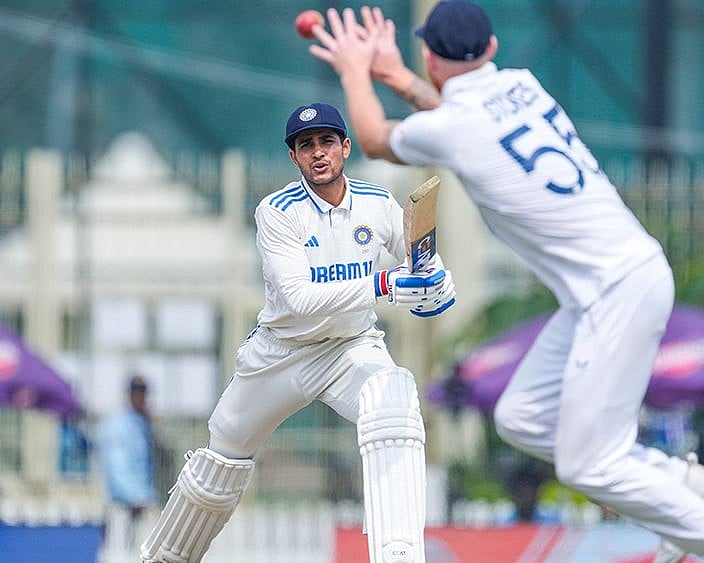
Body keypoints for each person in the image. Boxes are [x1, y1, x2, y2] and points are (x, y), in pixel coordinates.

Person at [308, 2, 704, 562]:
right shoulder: (521, 85)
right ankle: (676, 480)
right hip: (613, 284)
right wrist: (397, 76)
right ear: (490, 49)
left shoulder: (455, 125)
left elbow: (370, 138)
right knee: (522, 417)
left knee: (590, 464)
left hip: (615, 290)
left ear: (432, 56)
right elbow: (454, 122)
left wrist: (353, 68)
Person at [139, 102, 456, 563]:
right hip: (281, 354)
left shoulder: (378, 203)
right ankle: (163, 558)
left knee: (395, 402)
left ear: (345, 147)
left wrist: (436, 283)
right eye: (306, 145)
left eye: (327, 141)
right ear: (295, 158)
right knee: (222, 456)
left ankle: (400, 554)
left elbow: (420, 261)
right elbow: (298, 301)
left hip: (350, 349)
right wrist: (386, 283)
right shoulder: (277, 212)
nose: (318, 153)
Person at [97, 374, 157, 551]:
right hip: (123, 505)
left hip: (140, 503)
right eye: (137, 393)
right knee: (120, 553)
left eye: (143, 393)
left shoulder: (140, 423)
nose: (141, 398)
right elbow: (116, 467)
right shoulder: (118, 425)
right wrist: (135, 498)